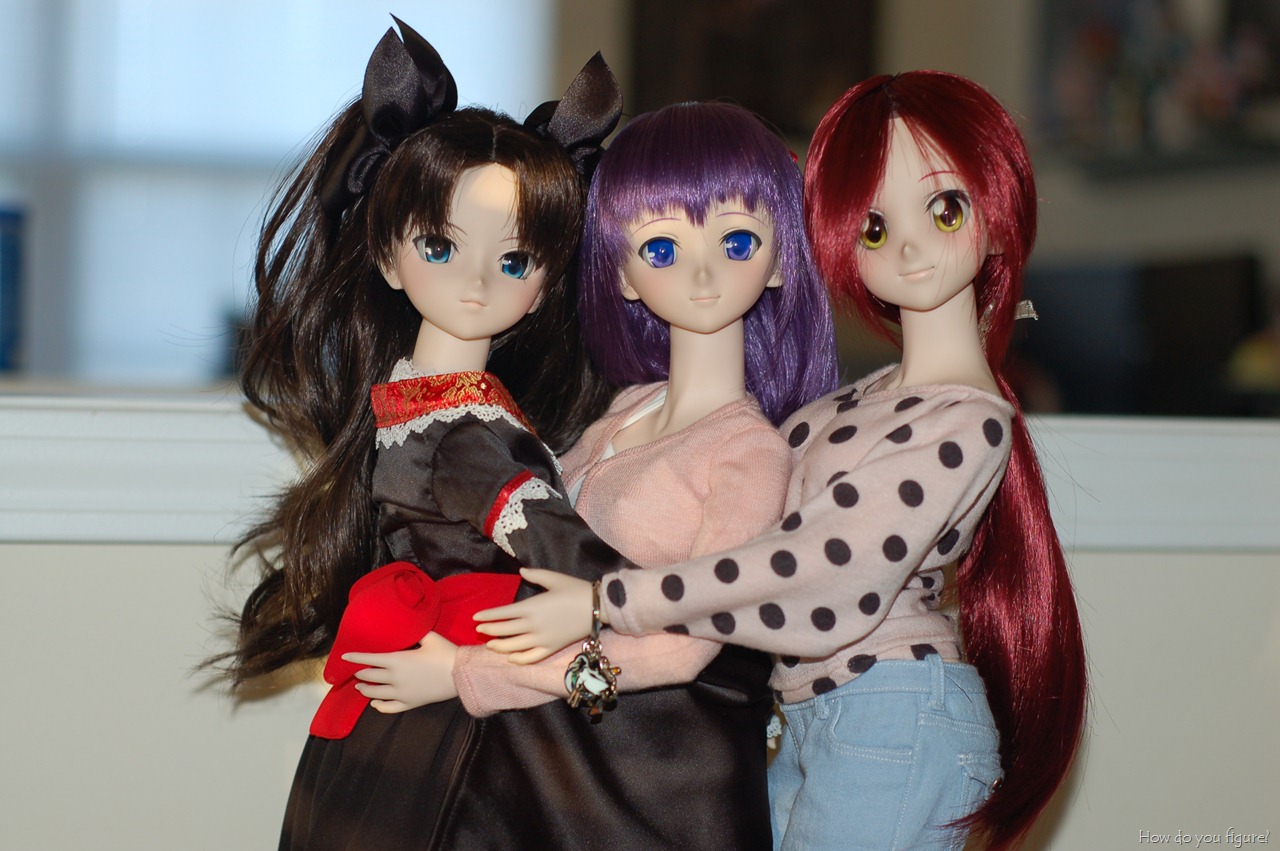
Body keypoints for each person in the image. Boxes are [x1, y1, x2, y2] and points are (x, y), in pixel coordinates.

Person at [476, 71, 1088, 851]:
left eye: (945, 209)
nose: (909, 246)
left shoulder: (967, 423)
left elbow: (820, 569)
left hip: (891, 710)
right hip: (811, 716)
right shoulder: (845, 404)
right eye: (874, 227)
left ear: (999, 214)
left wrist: (605, 602)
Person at [215, 18, 670, 850]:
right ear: (389, 258)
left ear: (543, 287)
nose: (475, 282)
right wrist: (673, 599)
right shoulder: (462, 428)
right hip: (464, 714)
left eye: (513, 261)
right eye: (439, 246)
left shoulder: (415, 407)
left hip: (432, 690)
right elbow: (571, 557)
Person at [349, 101, 838, 850]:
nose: (702, 272)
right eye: (661, 247)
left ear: (779, 261)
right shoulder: (621, 413)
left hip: (660, 787)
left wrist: (474, 672)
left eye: (737, 241)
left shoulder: (748, 453)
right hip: (569, 770)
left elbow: (684, 648)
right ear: (624, 275)